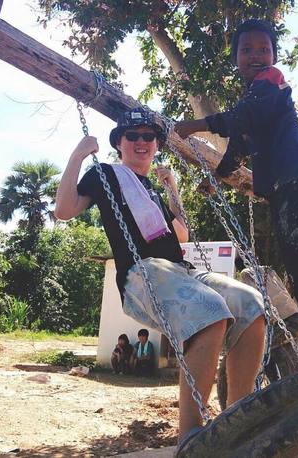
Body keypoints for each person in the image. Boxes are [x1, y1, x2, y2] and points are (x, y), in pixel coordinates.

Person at [54, 107, 266, 444]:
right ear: (119, 143)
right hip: (143, 274)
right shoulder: (106, 174)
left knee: (252, 305)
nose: (141, 141)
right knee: (209, 310)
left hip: (181, 270)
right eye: (132, 136)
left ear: (155, 144)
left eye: (148, 136)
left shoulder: (151, 190)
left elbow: (181, 234)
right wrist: (78, 154)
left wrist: (172, 189)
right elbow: (64, 210)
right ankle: (191, 436)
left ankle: (236, 423)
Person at [174, 19, 298, 364]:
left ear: (274, 56)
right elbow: (239, 145)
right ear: (236, 58)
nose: (256, 55)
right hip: (290, 182)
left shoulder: (271, 81)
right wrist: (217, 178)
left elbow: (246, 117)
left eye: (263, 49)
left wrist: (197, 125)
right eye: (247, 49)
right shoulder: (252, 97)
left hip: (297, 177)